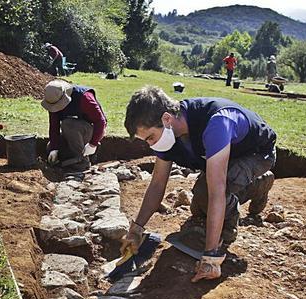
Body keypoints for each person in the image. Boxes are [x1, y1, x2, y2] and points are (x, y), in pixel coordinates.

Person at [122, 86, 276, 282]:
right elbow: (157, 184)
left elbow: (217, 191)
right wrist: (136, 229)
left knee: (210, 191)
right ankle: (251, 187)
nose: (150, 145)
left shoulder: (217, 123)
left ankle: (235, 218)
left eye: (150, 137)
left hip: (255, 155)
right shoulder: (168, 135)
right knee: (200, 204)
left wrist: (210, 256)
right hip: (223, 156)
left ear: (167, 119)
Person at [41, 80, 107, 170]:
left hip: (92, 130)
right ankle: (74, 158)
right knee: (50, 147)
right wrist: (54, 148)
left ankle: (83, 162)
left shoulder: (84, 97)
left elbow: (101, 121)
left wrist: (93, 144)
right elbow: (54, 126)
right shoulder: (53, 101)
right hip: (73, 133)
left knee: (68, 124)